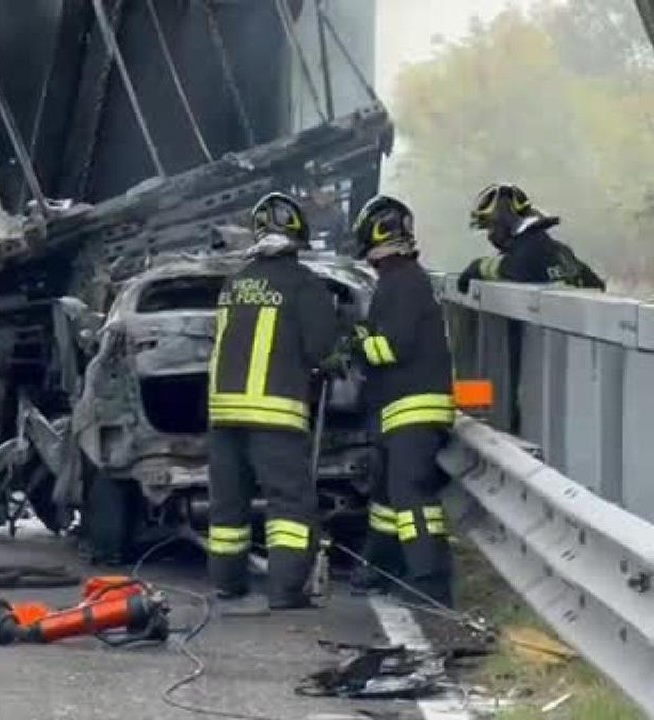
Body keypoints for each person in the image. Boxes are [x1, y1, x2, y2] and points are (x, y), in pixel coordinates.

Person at [204, 192, 339, 610]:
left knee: (228, 505)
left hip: (224, 416)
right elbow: (321, 351)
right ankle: (284, 593)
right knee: (289, 507)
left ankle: (228, 584)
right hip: (275, 415)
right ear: (298, 237)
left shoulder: (235, 282)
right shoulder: (304, 285)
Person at [350, 195, 457, 608]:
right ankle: (380, 568)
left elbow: (393, 346)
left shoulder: (404, 281)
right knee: (387, 496)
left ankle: (430, 582)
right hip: (400, 410)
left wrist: (357, 340)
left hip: (415, 408)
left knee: (411, 497)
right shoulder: (400, 280)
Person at [458, 183, 605, 293]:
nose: (489, 236)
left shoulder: (529, 252)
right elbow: (597, 286)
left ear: (505, 222)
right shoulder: (560, 251)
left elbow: (518, 268)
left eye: (491, 227)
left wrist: (477, 267)